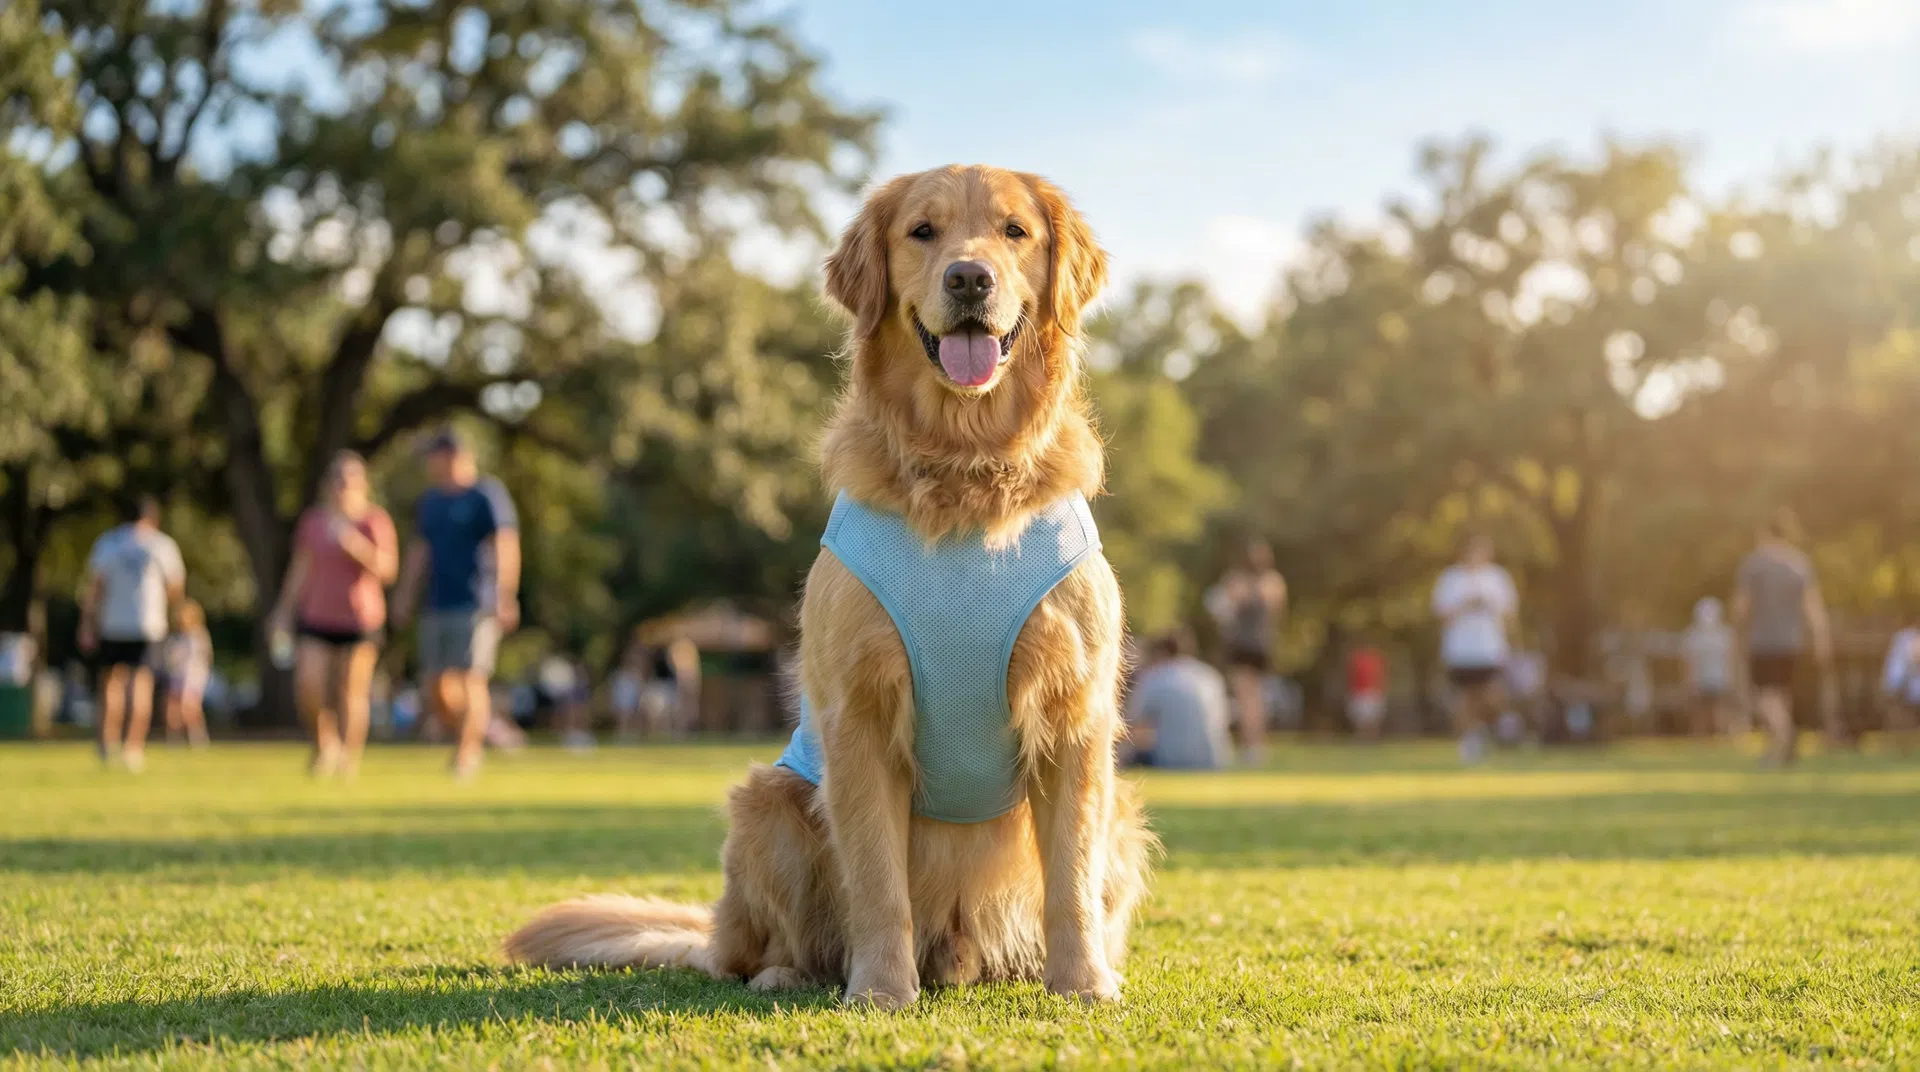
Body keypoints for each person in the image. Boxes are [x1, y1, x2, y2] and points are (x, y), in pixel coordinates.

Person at [392, 428, 520, 779]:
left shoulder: (486, 495)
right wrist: (404, 594)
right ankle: (484, 726)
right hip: (437, 602)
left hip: (476, 603)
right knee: (436, 689)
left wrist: (505, 594)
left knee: (471, 679)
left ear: (452, 455)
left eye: (433, 456)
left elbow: (506, 543)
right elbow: (421, 551)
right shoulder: (431, 501)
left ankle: (468, 753)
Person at [269, 451, 399, 777]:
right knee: (308, 685)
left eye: (350, 479)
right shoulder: (313, 522)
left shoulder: (374, 521)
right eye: (337, 479)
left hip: (360, 618)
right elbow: (299, 569)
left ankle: (348, 758)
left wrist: (357, 547)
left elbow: (388, 569)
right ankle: (325, 744)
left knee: (351, 691)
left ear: (363, 484)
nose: (343, 486)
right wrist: (283, 611)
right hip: (316, 616)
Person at [78, 495, 185, 772]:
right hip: (149, 625)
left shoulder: (109, 543)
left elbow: (95, 589)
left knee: (110, 684)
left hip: (113, 623)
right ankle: (133, 748)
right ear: (153, 518)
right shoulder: (161, 545)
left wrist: (87, 623)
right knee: (141, 686)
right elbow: (175, 588)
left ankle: (105, 743)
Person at [1731, 509, 1832, 766]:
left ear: (1764, 533)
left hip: (1763, 640)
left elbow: (1742, 606)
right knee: (1782, 695)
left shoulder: (1754, 565)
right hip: (1793, 641)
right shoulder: (1800, 565)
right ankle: (1776, 750)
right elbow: (1813, 607)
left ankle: (1786, 734)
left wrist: (1735, 629)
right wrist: (1821, 637)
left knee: (1765, 696)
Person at [1431, 531, 1518, 765]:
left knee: (1493, 696)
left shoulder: (1498, 578)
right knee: (1464, 700)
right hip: (1460, 651)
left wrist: (1489, 604)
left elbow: (1510, 613)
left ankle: (1494, 729)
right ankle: (1469, 743)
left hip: (1490, 649)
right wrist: (1465, 604)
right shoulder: (1451, 579)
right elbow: (1441, 614)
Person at [1205, 539, 1287, 764]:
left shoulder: (1238, 582)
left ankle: (1251, 745)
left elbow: (1222, 609)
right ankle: (1257, 745)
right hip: (1263, 645)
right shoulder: (1274, 582)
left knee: (1245, 698)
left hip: (1243, 646)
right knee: (1257, 698)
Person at [1122, 627, 1232, 770]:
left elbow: (1132, 724)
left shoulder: (1154, 678)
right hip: (1213, 759)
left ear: (1161, 652)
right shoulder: (1211, 676)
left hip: (1170, 760)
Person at [1682, 597, 1739, 737]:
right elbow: (1689, 662)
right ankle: (1702, 736)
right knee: (1701, 711)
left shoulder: (1725, 635)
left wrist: (1732, 679)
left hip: (1719, 679)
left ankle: (1720, 735)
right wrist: (1689, 681)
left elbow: (1731, 660)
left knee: (1719, 710)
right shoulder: (1693, 636)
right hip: (1701, 679)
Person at [161, 600, 213, 748]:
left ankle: (197, 737)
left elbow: (205, 658)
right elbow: (170, 658)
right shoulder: (175, 637)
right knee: (172, 708)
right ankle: (174, 739)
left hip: (193, 677)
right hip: (177, 676)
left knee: (190, 708)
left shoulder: (198, 636)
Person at [1878, 616, 1919, 755]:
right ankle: (1901, 746)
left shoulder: (1901, 638)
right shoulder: (1907, 639)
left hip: (1901, 686)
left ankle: (1902, 745)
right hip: (1902, 687)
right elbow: (1910, 663)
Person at [1344, 642, 1388, 742]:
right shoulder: (1357, 660)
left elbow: (1380, 677)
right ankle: (1360, 739)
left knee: (1373, 721)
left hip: (1373, 692)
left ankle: (1373, 739)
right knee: (1360, 721)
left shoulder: (1376, 660)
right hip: (1360, 692)